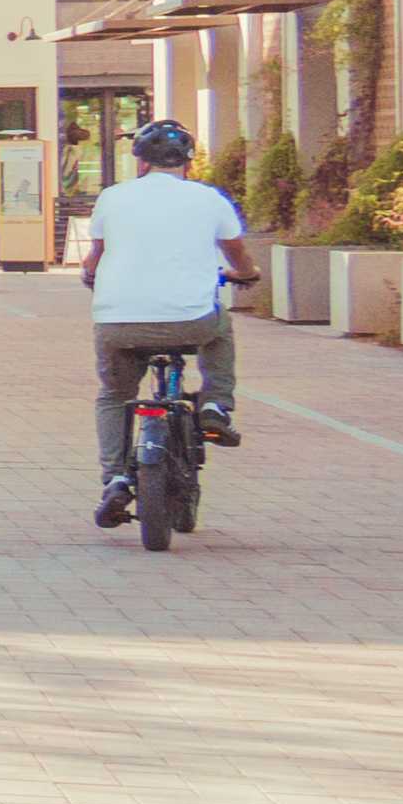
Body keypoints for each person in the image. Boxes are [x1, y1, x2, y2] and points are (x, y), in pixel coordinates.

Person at [77, 118, 256, 527]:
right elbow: (238, 257)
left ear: (139, 163)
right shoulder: (209, 199)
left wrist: (92, 277)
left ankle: (116, 478)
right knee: (219, 326)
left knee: (114, 395)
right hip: (189, 323)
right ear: (188, 164)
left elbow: (94, 258)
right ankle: (215, 405)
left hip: (119, 324)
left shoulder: (112, 197)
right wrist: (248, 274)